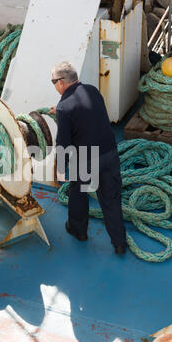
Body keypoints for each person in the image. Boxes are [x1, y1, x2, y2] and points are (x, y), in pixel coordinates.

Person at [50, 61, 127, 254]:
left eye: (53, 81)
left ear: (61, 82)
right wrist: (59, 112)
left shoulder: (64, 107)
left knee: (78, 193)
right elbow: (88, 114)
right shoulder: (92, 90)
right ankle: (119, 243)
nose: (54, 85)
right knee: (111, 199)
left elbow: (63, 143)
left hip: (85, 157)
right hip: (109, 151)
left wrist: (60, 170)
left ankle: (79, 231)